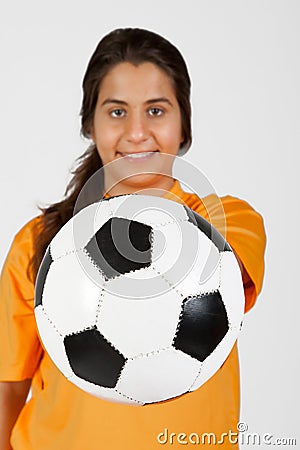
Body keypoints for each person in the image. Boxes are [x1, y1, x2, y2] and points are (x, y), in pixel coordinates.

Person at [0, 28, 266, 449]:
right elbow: (9, 386)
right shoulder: (40, 242)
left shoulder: (226, 220)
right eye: (117, 112)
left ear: (184, 126)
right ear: (91, 123)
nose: (138, 132)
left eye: (157, 111)